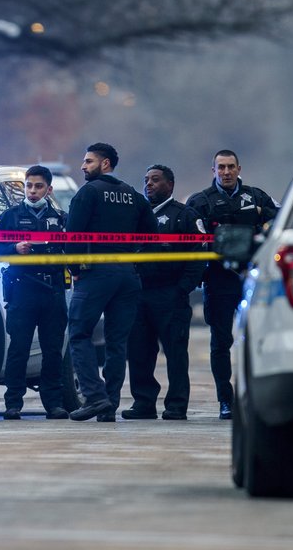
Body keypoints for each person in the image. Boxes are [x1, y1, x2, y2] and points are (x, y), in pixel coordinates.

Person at [65, 143, 159, 423]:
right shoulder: (132, 194)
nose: (83, 166)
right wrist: (135, 261)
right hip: (128, 276)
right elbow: (152, 233)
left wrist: (75, 268)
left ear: (105, 164)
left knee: (79, 333)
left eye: (88, 161)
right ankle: (110, 405)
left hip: (95, 274)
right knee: (117, 341)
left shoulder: (88, 193)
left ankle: (95, 397)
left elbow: (73, 235)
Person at [186, 149, 280, 420]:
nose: (226, 172)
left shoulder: (258, 197)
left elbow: (279, 222)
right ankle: (225, 400)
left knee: (259, 341)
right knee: (221, 343)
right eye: (221, 167)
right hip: (218, 280)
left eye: (230, 167)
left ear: (239, 169)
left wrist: (263, 216)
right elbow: (191, 240)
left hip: (253, 279)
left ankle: (255, 398)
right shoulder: (200, 201)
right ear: (212, 170)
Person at [122, 164, 206, 421]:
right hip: (139, 293)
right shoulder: (134, 215)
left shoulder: (185, 216)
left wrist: (183, 288)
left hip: (170, 294)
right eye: (146, 179)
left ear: (170, 185)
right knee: (138, 352)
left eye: (155, 180)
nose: (148, 184)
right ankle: (144, 402)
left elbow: (198, 255)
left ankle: (177, 405)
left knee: (176, 353)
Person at [0, 165, 70, 420]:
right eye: (29, 186)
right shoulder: (11, 217)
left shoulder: (62, 219)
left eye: (38, 186)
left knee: (53, 350)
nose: (32, 191)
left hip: (53, 291)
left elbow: (73, 251)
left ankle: (53, 403)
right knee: (19, 349)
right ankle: (13, 403)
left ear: (49, 189)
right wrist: (14, 248)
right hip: (22, 290)